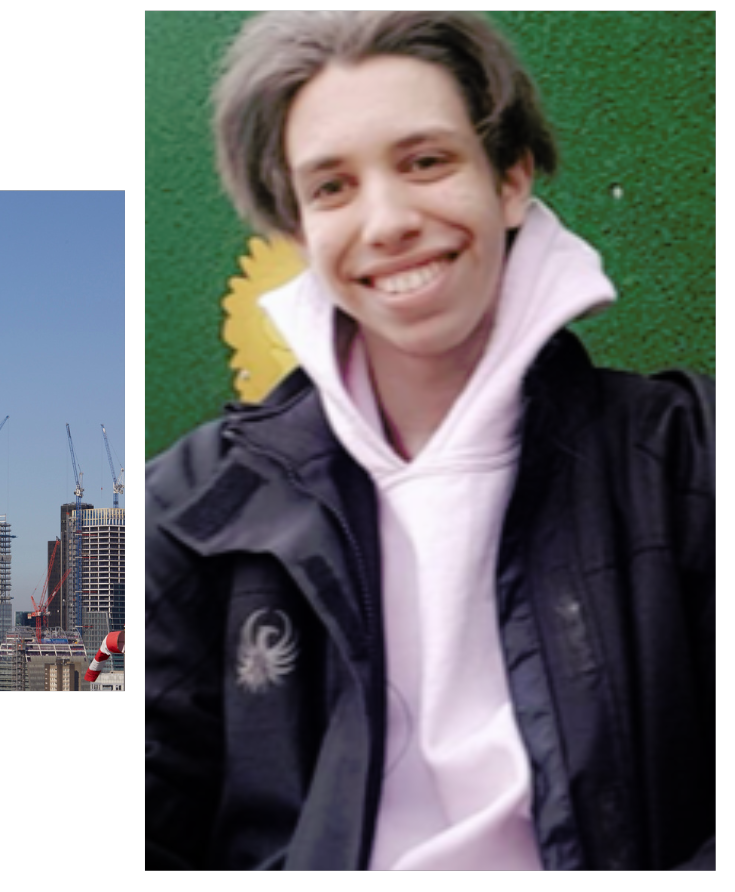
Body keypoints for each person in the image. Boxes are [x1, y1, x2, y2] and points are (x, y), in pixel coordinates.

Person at [145, 12, 716, 870]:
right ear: (296, 227)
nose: (386, 221)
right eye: (331, 187)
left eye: (424, 162)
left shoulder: (687, 458)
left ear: (511, 177)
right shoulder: (180, 508)